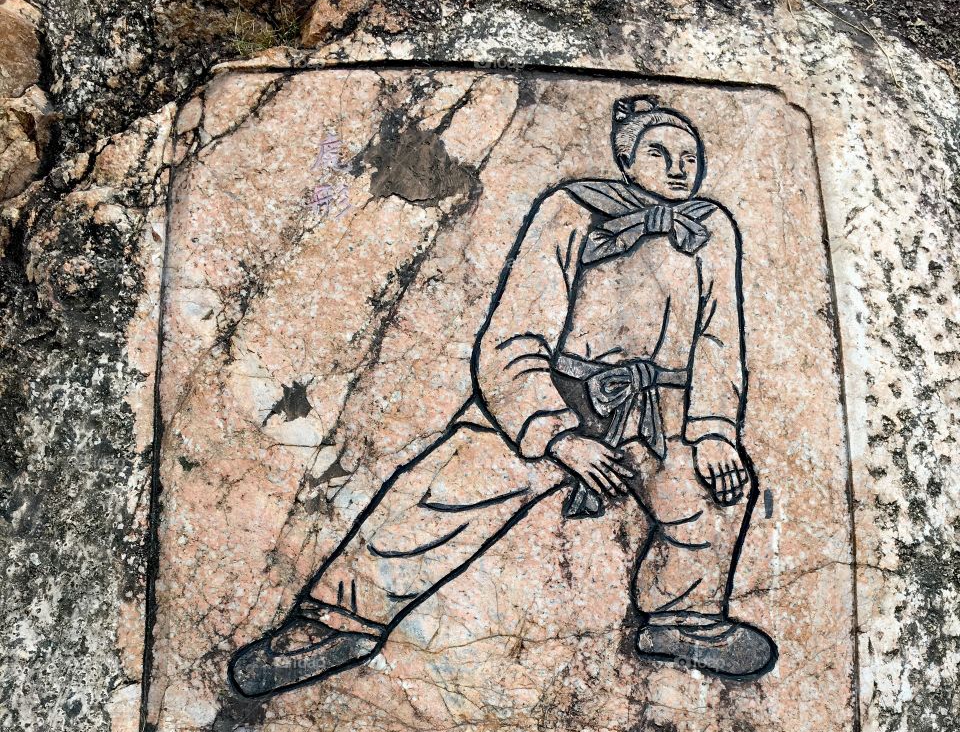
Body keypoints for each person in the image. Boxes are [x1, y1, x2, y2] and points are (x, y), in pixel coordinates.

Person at [228, 95, 777, 698]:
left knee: (716, 486)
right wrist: (559, 435)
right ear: (626, 160)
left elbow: (718, 341)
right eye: (659, 153)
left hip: (657, 412)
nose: (677, 168)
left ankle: (684, 617)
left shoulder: (711, 229)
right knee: (442, 493)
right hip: (559, 391)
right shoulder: (571, 209)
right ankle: (338, 621)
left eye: (689, 157)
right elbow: (513, 335)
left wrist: (715, 432)